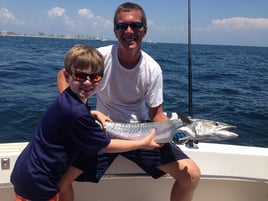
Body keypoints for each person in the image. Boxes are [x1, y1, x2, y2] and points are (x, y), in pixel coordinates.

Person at [57, 2, 201, 201]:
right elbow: (63, 76)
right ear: (115, 31)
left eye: (136, 25)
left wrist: (171, 132)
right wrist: (76, 113)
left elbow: (156, 114)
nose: (129, 31)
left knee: (191, 175)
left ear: (145, 30)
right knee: (59, 181)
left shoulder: (152, 69)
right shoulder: (101, 57)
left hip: (140, 134)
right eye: (122, 26)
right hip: (102, 131)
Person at [10, 44, 160, 201]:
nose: (88, 82)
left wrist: (93, 113)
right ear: (67, 77)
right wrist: (143, 143)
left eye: (95, 77)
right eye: (80, 76)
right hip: (39, 182)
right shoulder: (77, 113)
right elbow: (106, 146)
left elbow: (72, 114)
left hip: (26, 171)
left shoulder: (68, 98)